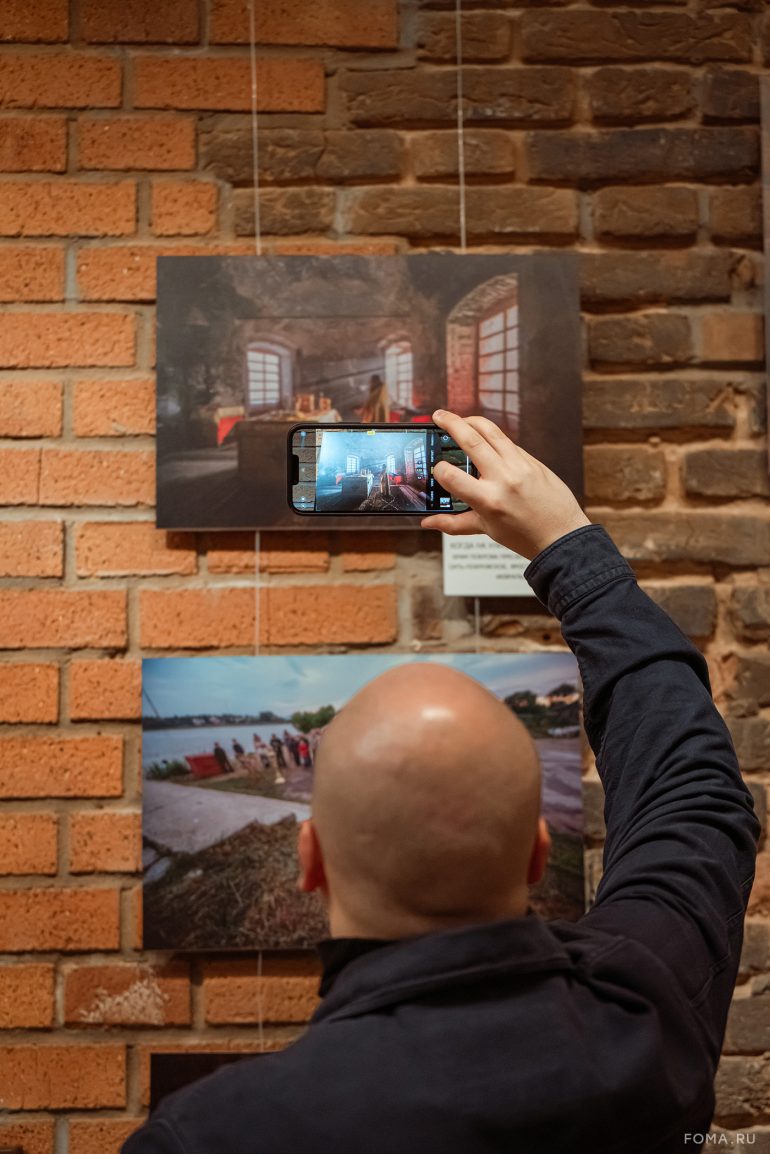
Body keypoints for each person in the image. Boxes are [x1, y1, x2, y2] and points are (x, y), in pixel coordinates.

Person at [124, 411, 759, 1154]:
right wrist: (569, 549)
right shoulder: (641, 1022)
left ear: (311, 860)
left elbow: (696, 800)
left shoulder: (209, 1135)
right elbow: (693, 795)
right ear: (536, 853)